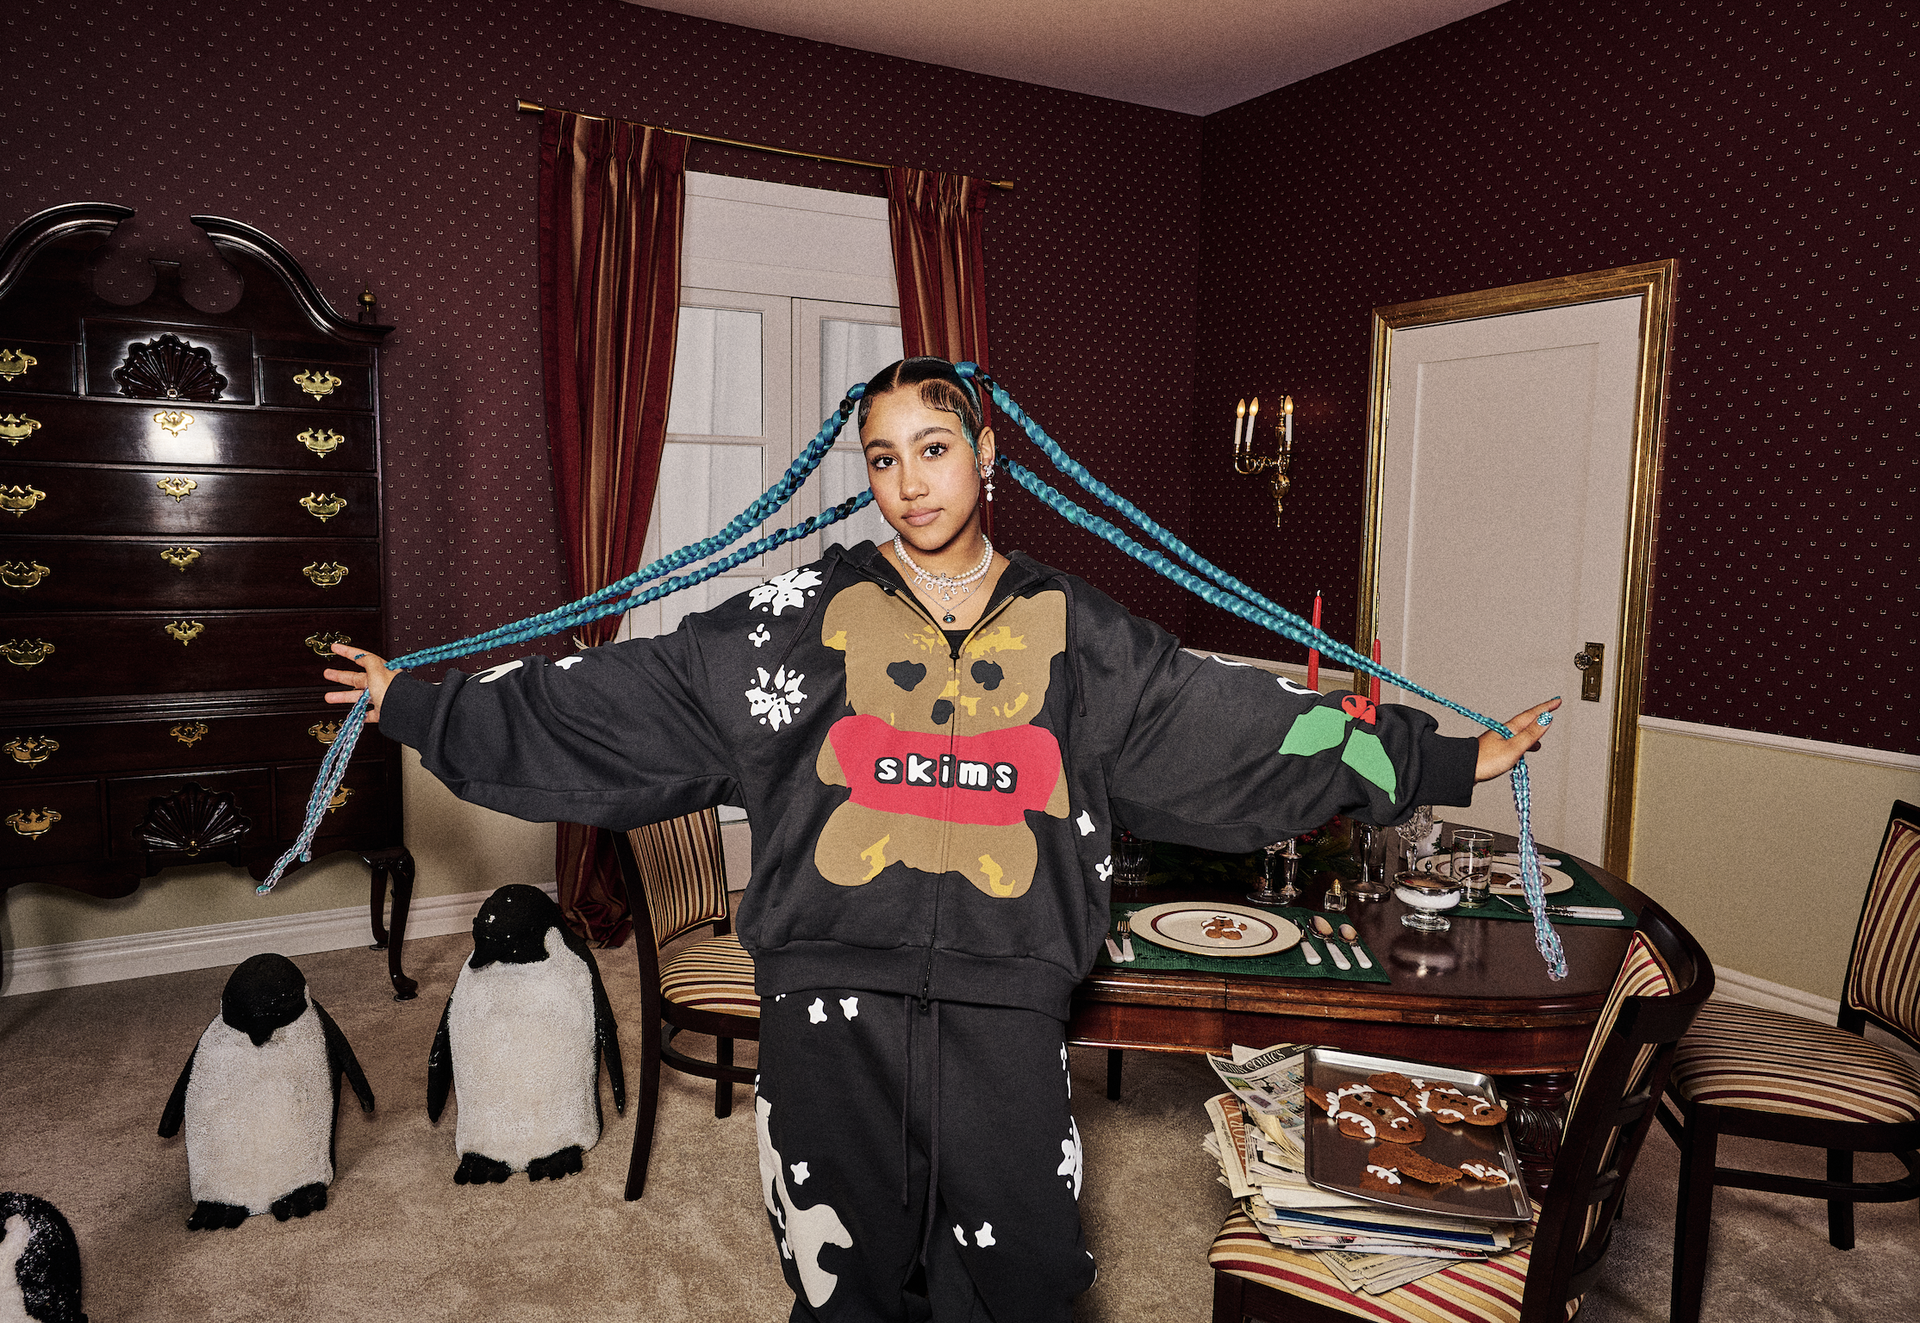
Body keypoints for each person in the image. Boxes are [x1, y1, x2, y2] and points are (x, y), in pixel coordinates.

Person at [324, 357, 1557, 1322]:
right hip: (824, 999)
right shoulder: (792, 620)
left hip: (1007, 1005)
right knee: (837, 1264)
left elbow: (1233, 729)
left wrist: (1444, 758)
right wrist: (419, 701)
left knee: (1022, 1263)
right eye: (881, 458)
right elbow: (620, 700)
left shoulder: (1080, 631)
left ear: (986, 453)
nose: (909, 480)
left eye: (932, 447)